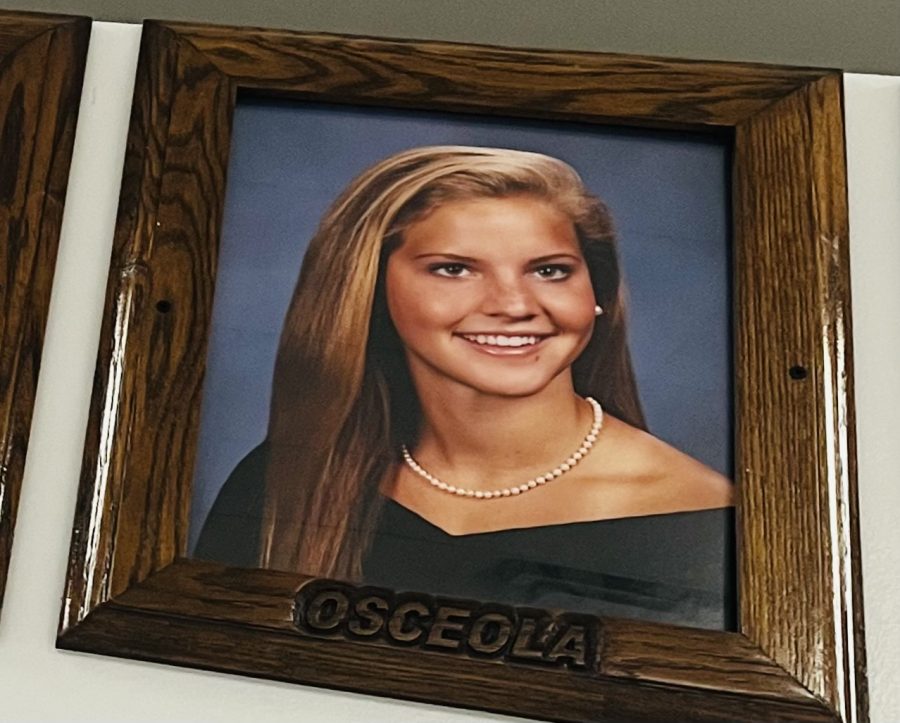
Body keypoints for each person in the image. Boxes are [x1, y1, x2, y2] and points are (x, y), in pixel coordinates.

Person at [195, 145, 735, 629]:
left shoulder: (702, 521)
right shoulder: (285, 481)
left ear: (598, 291)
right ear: (371, 292)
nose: (514, 305)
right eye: (454, 269)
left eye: (549, 271)